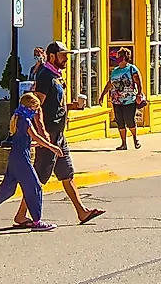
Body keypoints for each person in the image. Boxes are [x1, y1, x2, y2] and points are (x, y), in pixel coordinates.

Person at [29, 43, 105, 225]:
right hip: (49, 135)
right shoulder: (45, 76)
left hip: (59, 135)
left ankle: (82, 211)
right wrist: (41, 134)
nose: (66, 59)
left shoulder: (56, 76)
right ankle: (21, 214)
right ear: (52, 56)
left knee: (67, 174)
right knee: (39, 176)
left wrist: (73, 106)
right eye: (63, 55)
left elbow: (56, 105)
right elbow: (36, 105)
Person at [0, 92, 55, 231]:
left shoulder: (18, 117)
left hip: (15, 157)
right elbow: (36, 136)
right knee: (35, 187)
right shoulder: (25, 120)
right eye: (34, 108)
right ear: (29, 106)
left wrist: (35, 145)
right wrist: (52, 147)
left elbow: (24, 141)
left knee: (8, 189)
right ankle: (37, 221)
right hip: (21, 159)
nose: (35, 111)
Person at [104, 46, 145, 150]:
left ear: (123, 57)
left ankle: (135, 139)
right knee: (120, 121)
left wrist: (139, 94)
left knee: (129, 120)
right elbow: (110, 83)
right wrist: (102, 95)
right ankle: (123, 143)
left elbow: (139, 82)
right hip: (116, 100)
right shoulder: (115, 70)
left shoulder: (131, 68)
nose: (116, 58)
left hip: (129, 99)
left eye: (117, 56)